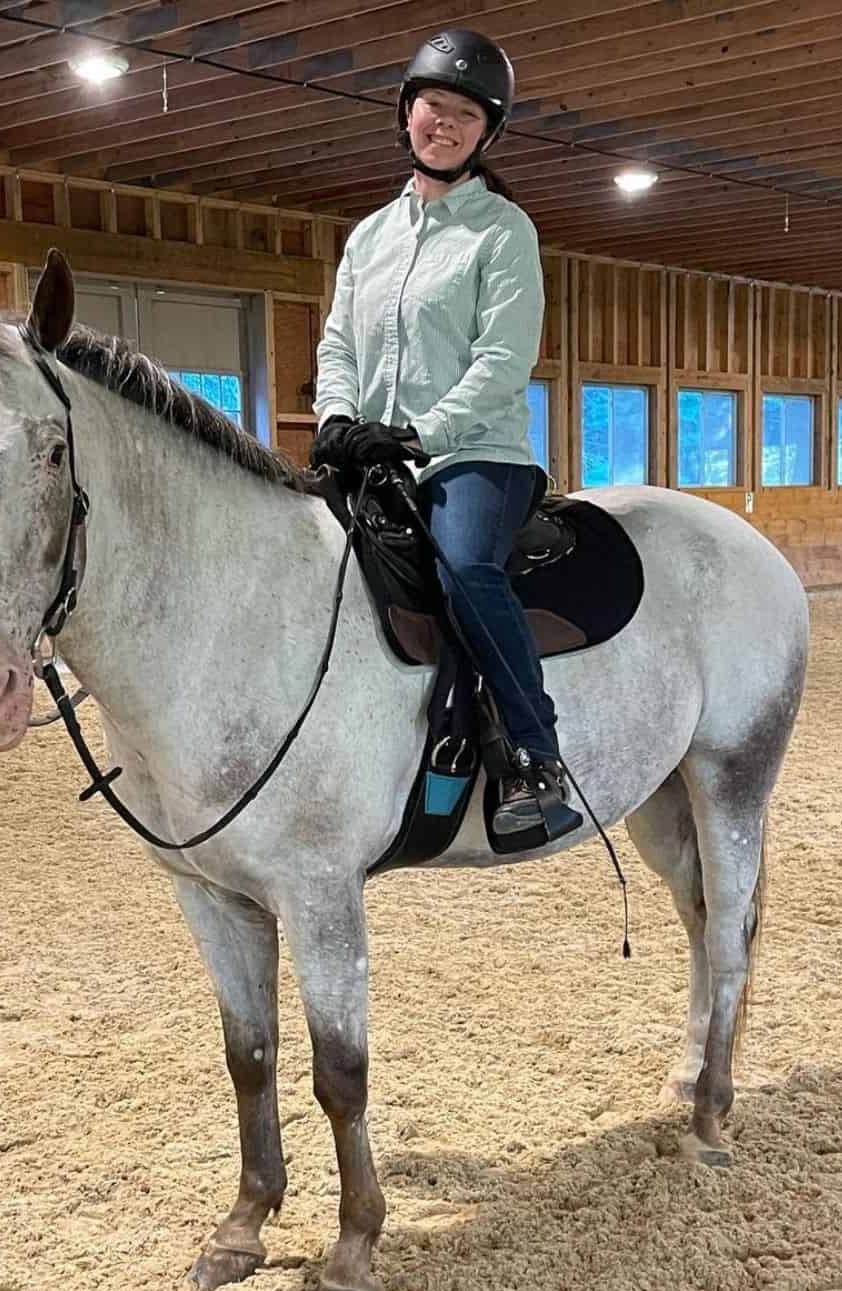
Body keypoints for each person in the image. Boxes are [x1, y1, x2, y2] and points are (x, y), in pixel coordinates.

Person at [311, 28, 582, 839]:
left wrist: (416, 433)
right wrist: (336, 419)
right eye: (435, 106)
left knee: (465, 572)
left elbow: (503, 361)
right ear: (407, 112)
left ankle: (534, 752)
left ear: (485, 133)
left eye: (466, 114)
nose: (446, 123)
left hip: (475, 457)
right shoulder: (369, 236)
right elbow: (338, 344)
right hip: (374, 453)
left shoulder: (504, 233)